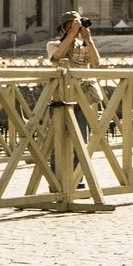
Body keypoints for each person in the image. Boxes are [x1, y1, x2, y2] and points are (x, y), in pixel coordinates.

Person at [47, 11, 101, 190]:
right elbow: (58, 56)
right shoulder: (53, 44)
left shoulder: (83, 45)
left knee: (81, 140)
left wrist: (88, 40)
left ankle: (77, 178)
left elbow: (96, 63)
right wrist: (71, 35)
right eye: (73, 24)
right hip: (60, 98)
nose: (78, 27)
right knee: (59, 140)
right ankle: (57, 180)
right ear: (64, 27)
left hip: (80, 99)